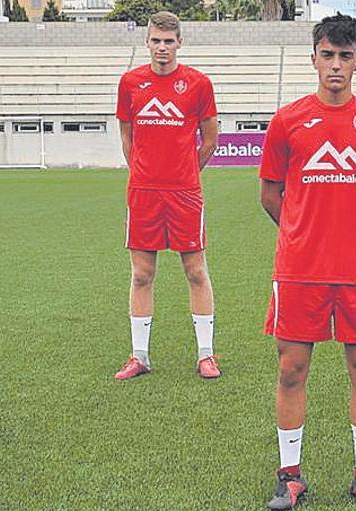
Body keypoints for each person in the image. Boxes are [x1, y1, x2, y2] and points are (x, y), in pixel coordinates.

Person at [258, 14, 356, 511]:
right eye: (327, 55)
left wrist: (352, 228)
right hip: (299, 269)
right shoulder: (288, 120)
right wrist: (304, 230)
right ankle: (289, 476)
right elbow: (270, 194)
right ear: (313, 58)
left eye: (345, 56)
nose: (335, 65)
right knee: (292, 368)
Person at [113, 11, 222, 381]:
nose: (162, 48)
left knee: (195, 271)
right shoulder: (130, 83)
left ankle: (206, 354)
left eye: (169, 41)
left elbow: (210, 138)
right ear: (147, 42)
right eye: (156, 40)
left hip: (184, 193)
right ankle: (139, 356)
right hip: (143, 192)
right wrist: (143, 170)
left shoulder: (198, 84)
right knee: (142, 274)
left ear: (179, 43)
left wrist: (188, 172)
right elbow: (127, 137)